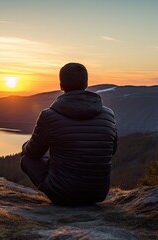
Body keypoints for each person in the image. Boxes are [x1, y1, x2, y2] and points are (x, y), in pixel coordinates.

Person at [21, 62, 117, 206]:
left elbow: (33, 154)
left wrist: (25, 146)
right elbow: (111, 150)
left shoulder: (49, 116)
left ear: (61, 85)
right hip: (98, 193)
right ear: (86, 84)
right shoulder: (108, 114)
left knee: (26, 160)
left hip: (64, 195)